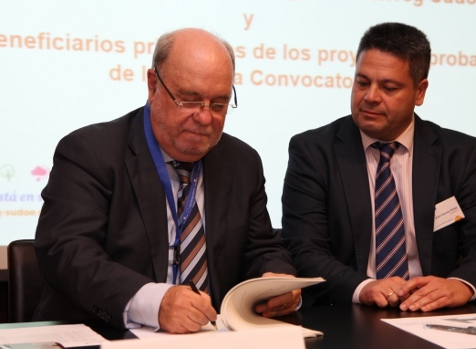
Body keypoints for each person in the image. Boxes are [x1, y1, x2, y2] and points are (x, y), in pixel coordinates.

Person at [34, 28, 299, 333]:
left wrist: (276, 279)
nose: (205, 117)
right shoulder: (91, 152)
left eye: (218, 104)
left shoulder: (242, 162)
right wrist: (155, 302)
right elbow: (66, 251)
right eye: (189, 100)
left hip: (212, 341)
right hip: (106, 335)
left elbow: (262, 248)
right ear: (153, 85)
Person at [282, 22, 476, 312]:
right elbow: (304, 249)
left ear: (420, 92)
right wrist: (364, 287)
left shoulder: (458, 154)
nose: (370, 96)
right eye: (362, 82)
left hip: (433, 313)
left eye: (389, 87)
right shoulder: (314, 151)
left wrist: (459, 285)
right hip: (346, 313)